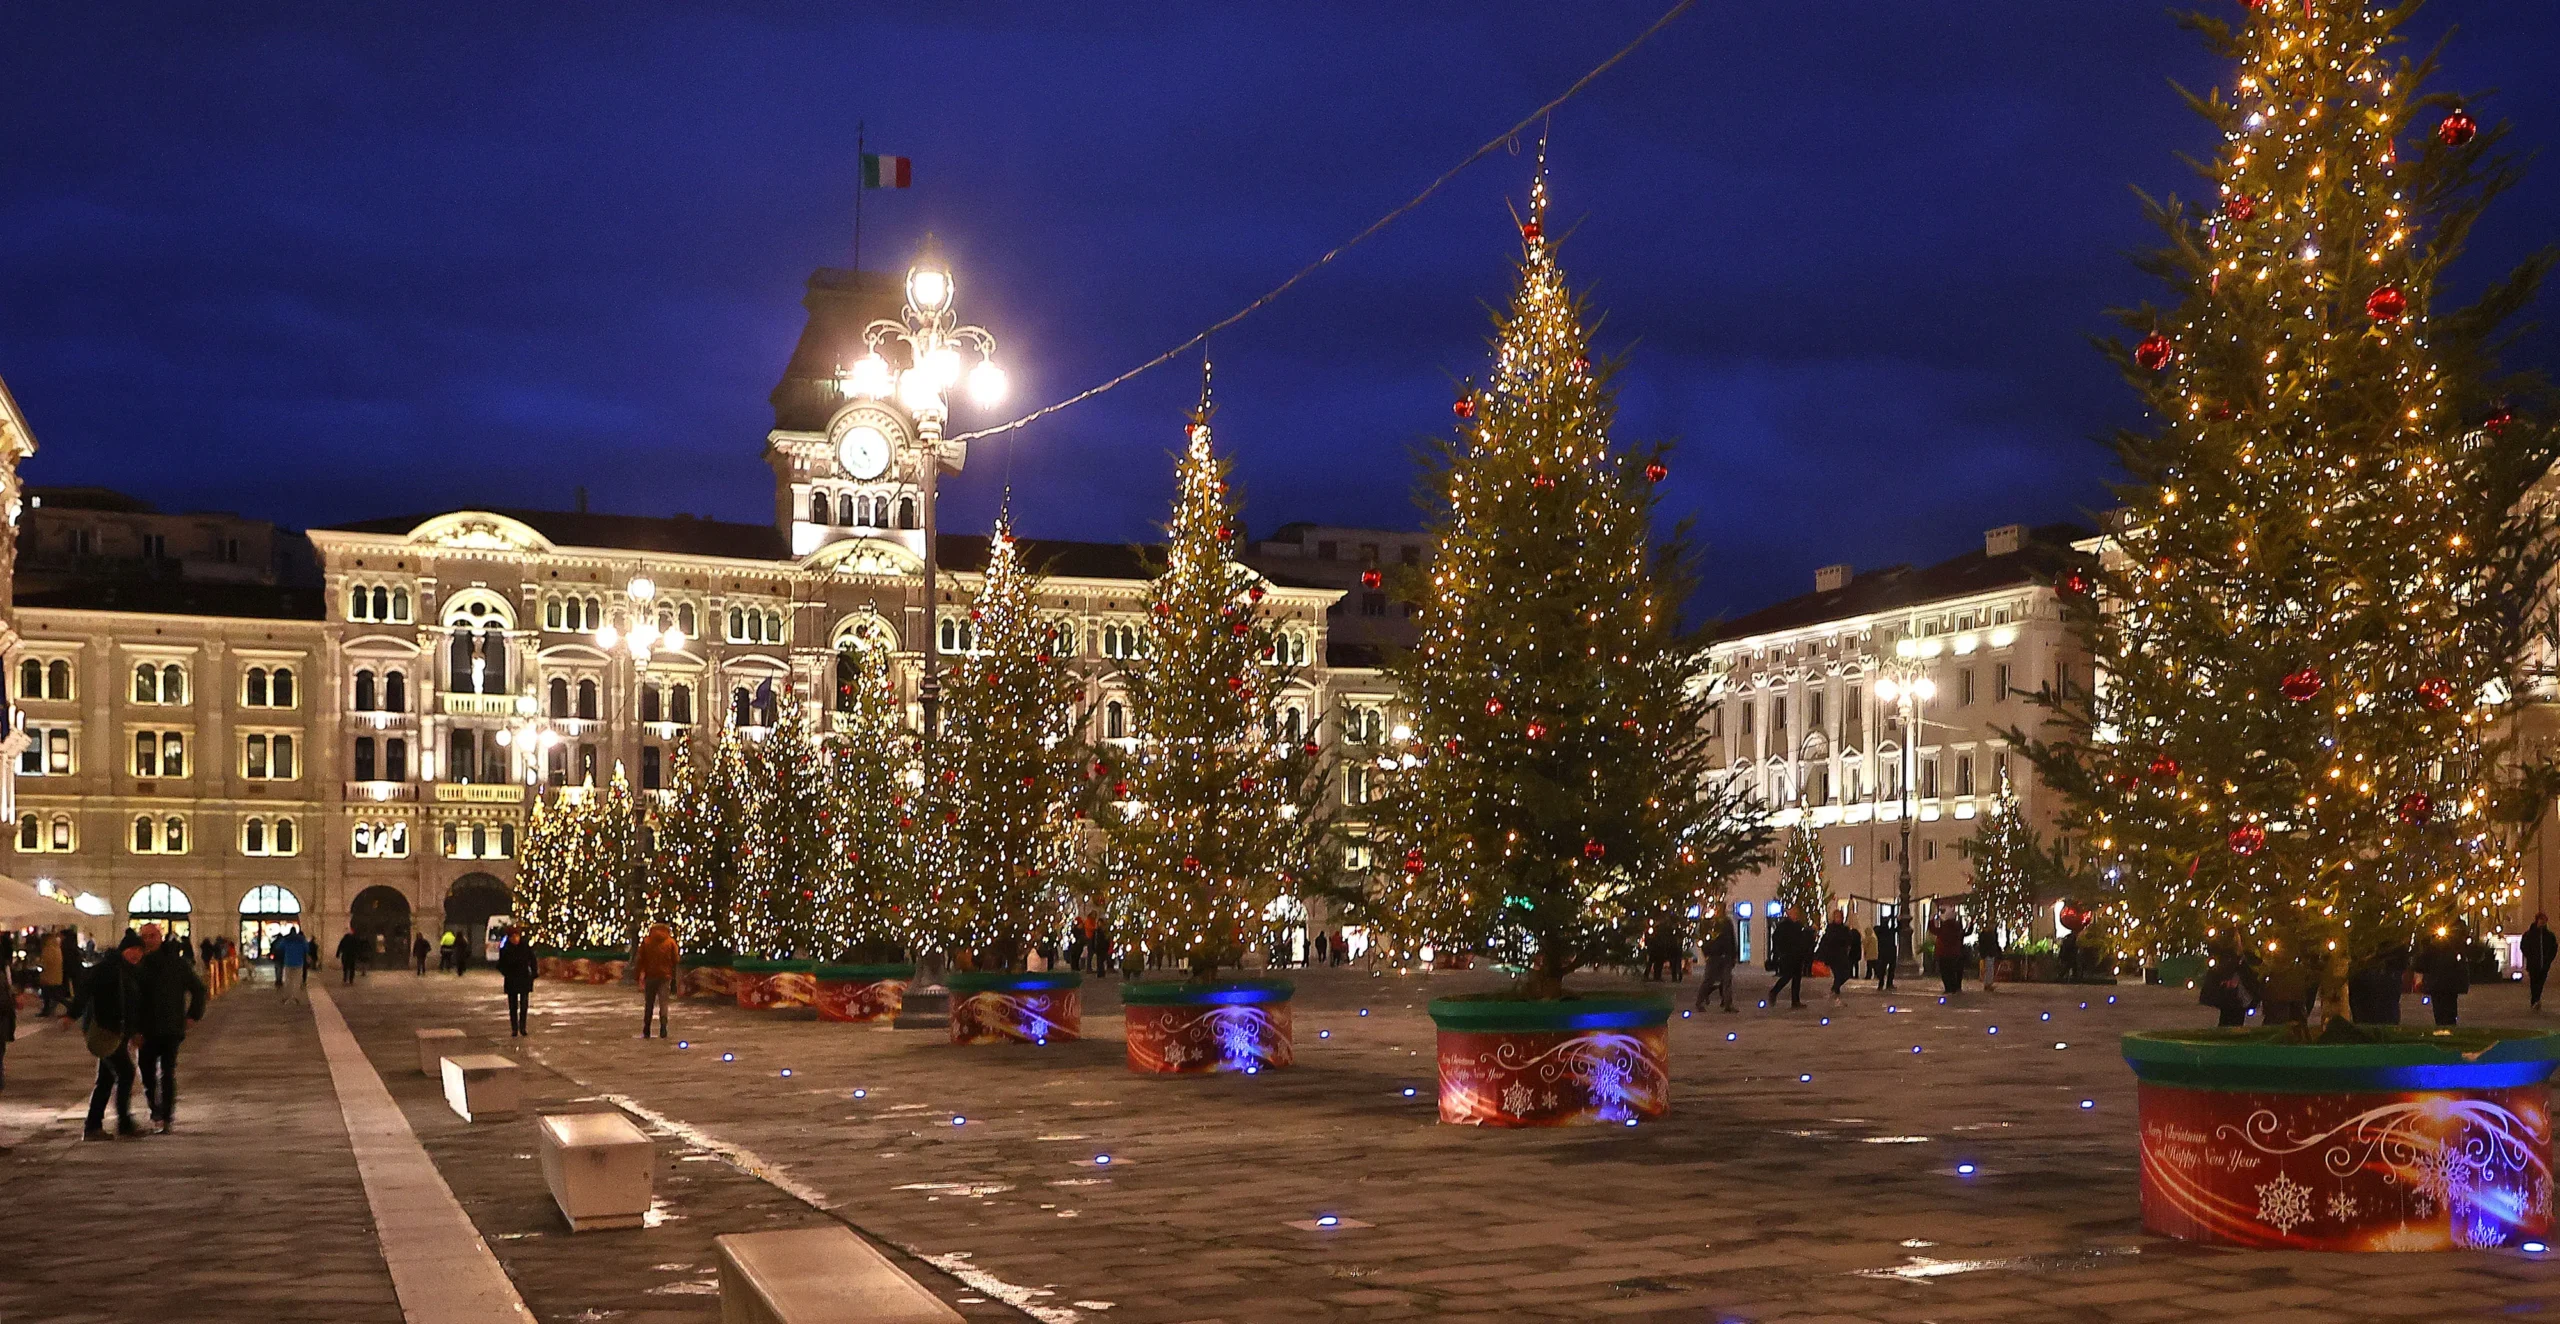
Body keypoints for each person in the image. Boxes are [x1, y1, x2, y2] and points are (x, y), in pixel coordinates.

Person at [70, 934, 145, 1140]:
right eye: (133, 949)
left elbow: (132, 1006)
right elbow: (86, 990)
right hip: (107, 1030)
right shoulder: (109, 968)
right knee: (126, 1073)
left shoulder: (130, 971)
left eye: (140, 950)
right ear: (123, 950)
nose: (136, 954)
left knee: (106, 1078)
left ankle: (93, 1126)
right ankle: (123, 1122)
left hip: (118, 1032)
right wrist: (72, 1013)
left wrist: (134, 1031)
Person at [134, 923, 207, 1134]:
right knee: (147, 1074)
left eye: (152, 936)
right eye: (145, 936)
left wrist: (193, 1015)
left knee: (167, 1072)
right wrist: (132, 1029)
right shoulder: (137, 963)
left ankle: (165, 1116)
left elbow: (198, 989)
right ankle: (155, 1110)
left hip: (170, 1027)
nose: (148, 940)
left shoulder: (176, 963)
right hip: (145, 1029)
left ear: (160, 937)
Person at [2420, 922, 2471, 1027]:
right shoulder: (2432, 946)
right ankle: (2443, 1028)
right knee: (2440, 1010)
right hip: (2439, 982)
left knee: (2449, 1009)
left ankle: (2449, 1029)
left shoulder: (2455, 942)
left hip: (2447, 981)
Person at [2198, 938, 2257, 1028]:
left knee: (2234, 1017)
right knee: (2230, 1016)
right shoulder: (2228, 958)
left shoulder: (2241, 962)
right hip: (2230, 994)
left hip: (2234, 995)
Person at [635, 923, 679, 1039]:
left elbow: (640, 958)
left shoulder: (647, 941)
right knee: (663, 1003)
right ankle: (663, 1027)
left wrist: (638, 974)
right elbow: (676, 958)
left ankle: (647, 1028)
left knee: (649, 1003)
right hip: (665, 976)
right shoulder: (670, 942)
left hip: (650, 976)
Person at [1694, 908, 1738, 1013]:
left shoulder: (1727, 922)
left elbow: (1732, 939)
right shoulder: (1708, 923)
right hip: (1714, 956)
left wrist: (1733, 955)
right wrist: (1707, 953)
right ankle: (1699, 1002)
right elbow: (1703, 939)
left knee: (1726, 980)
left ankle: (1728, 1004)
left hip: (1726, 955)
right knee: (1709, 980)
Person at [496, 927, 538, 1037]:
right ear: (509, 938)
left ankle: (522, 1027)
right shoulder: (505, 949)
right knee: (513, 1006)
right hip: (512, 980)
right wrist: (507, 973)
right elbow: (500, 965)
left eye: (517, 936)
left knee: (524, 1005)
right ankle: (514, 1028)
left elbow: (532, 960)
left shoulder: (525, 947)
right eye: (513, 937)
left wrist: (533, 974)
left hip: (524, 979)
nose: (515, 939)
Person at [1766, 910, 1809, 1009]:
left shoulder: (1798, 925)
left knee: (1796, 978)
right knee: (1787, 976)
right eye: (1793, 913)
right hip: (1788, 955)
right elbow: (1777, 938)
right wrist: (1781, 951)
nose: (1795, 915)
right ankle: (1774, 992)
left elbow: (1802, 938)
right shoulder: (1784, 926)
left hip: (1797, 955)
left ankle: (1795, 1001)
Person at [1820, 912, 1862, 1003]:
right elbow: (1827, 942)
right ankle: (1836, 989)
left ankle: (1835, 988)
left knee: (1845, 974)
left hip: (1842, 955)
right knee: (1838, 974)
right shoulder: (1831, 929)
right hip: (1833, 956)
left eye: (1840, 917)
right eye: (1837, 917)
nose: (1839, 919)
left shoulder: (1845, 929)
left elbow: (1849, 941)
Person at [1930, 909, 1970, 995]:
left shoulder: (1944, 928)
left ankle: (1948, 988)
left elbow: (1933, 930)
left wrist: (1932, 920)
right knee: (1952, 971)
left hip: (1943, 952)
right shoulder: (1956, 928)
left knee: (1945, 971)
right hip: (1955, 952)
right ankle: (1953, 987)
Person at [2525, 914, 2558, 1012]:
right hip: (2533, 964)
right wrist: (2530, 956)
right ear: (2537, 921)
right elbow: (2524, 946)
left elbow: (2554, 948)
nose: (2542, 923)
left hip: (2544, 964)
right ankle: (2535, 1000)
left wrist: (2548, 959)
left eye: (2544, 921)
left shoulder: (2549, 936)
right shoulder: (2530, 934)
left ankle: (2537, 999)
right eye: (2541, 920)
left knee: (2540, 982)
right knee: (2534, 982)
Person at [35, 929, 66, 1017]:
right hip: (56, 976)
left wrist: (39, 964)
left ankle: (47, 1010)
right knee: (53, 994)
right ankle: (47, 1010)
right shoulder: (57, 948)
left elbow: (44, 963)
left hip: (48, 976)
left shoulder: (47, 949)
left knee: (49, 995)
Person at [274, 928, 309, 1003]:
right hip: (299, 963)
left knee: (288, 980)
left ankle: (287, 996)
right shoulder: (301, 940)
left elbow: (279, 947)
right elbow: (307, 948)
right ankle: (296, 997)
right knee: (297, 981)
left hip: (288, 962)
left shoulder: (286, 939)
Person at [1978, 925, 2004, 994]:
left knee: (1990, 968)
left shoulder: (1990, 934)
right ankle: (1988, 984)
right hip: (1989, 953)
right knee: (1989, 969)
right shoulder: (1987, 935)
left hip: (1990, 953)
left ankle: (1988, 983)